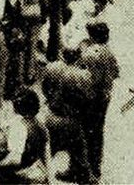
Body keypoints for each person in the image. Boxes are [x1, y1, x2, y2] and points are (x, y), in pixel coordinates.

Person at [40, 46, 95, 185]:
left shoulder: (51, 67)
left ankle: (42, 178)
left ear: (62, 54)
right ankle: (82, 176)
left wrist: (52, 99)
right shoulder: (83, 75)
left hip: (51, 114)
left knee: (45, 152)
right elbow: (88, 99)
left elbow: (44, 88)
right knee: (79, 151)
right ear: (78, 57)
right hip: (71, 119)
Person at [76, 23, 120, 180]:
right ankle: (95, 169)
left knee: (84, 133)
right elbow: (116, 73)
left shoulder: (90, 54)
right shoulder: (109, 52)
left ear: (92, 36)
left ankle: (84, 171)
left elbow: (81, 75)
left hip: (90, 98)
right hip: (104, 98)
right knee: (97, 133)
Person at [0, 88, 49, 185]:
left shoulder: (18, 126)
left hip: (18, 178)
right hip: (36, 176)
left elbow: (15, 159)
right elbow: (45, 156)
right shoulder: (41, 126)